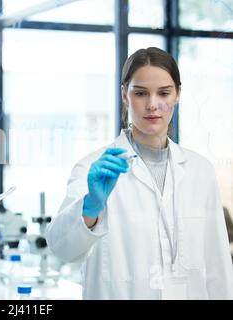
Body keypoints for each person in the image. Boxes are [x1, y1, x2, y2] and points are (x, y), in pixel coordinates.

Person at [46, 47, 233, 299]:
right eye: (141, 93)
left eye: (164, 93)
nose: (152, 104)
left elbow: (218, 267)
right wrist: (90, 207)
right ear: (125, 95)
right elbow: (61, 249)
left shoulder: (200, 171)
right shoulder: (94, 168)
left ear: (177, 94)